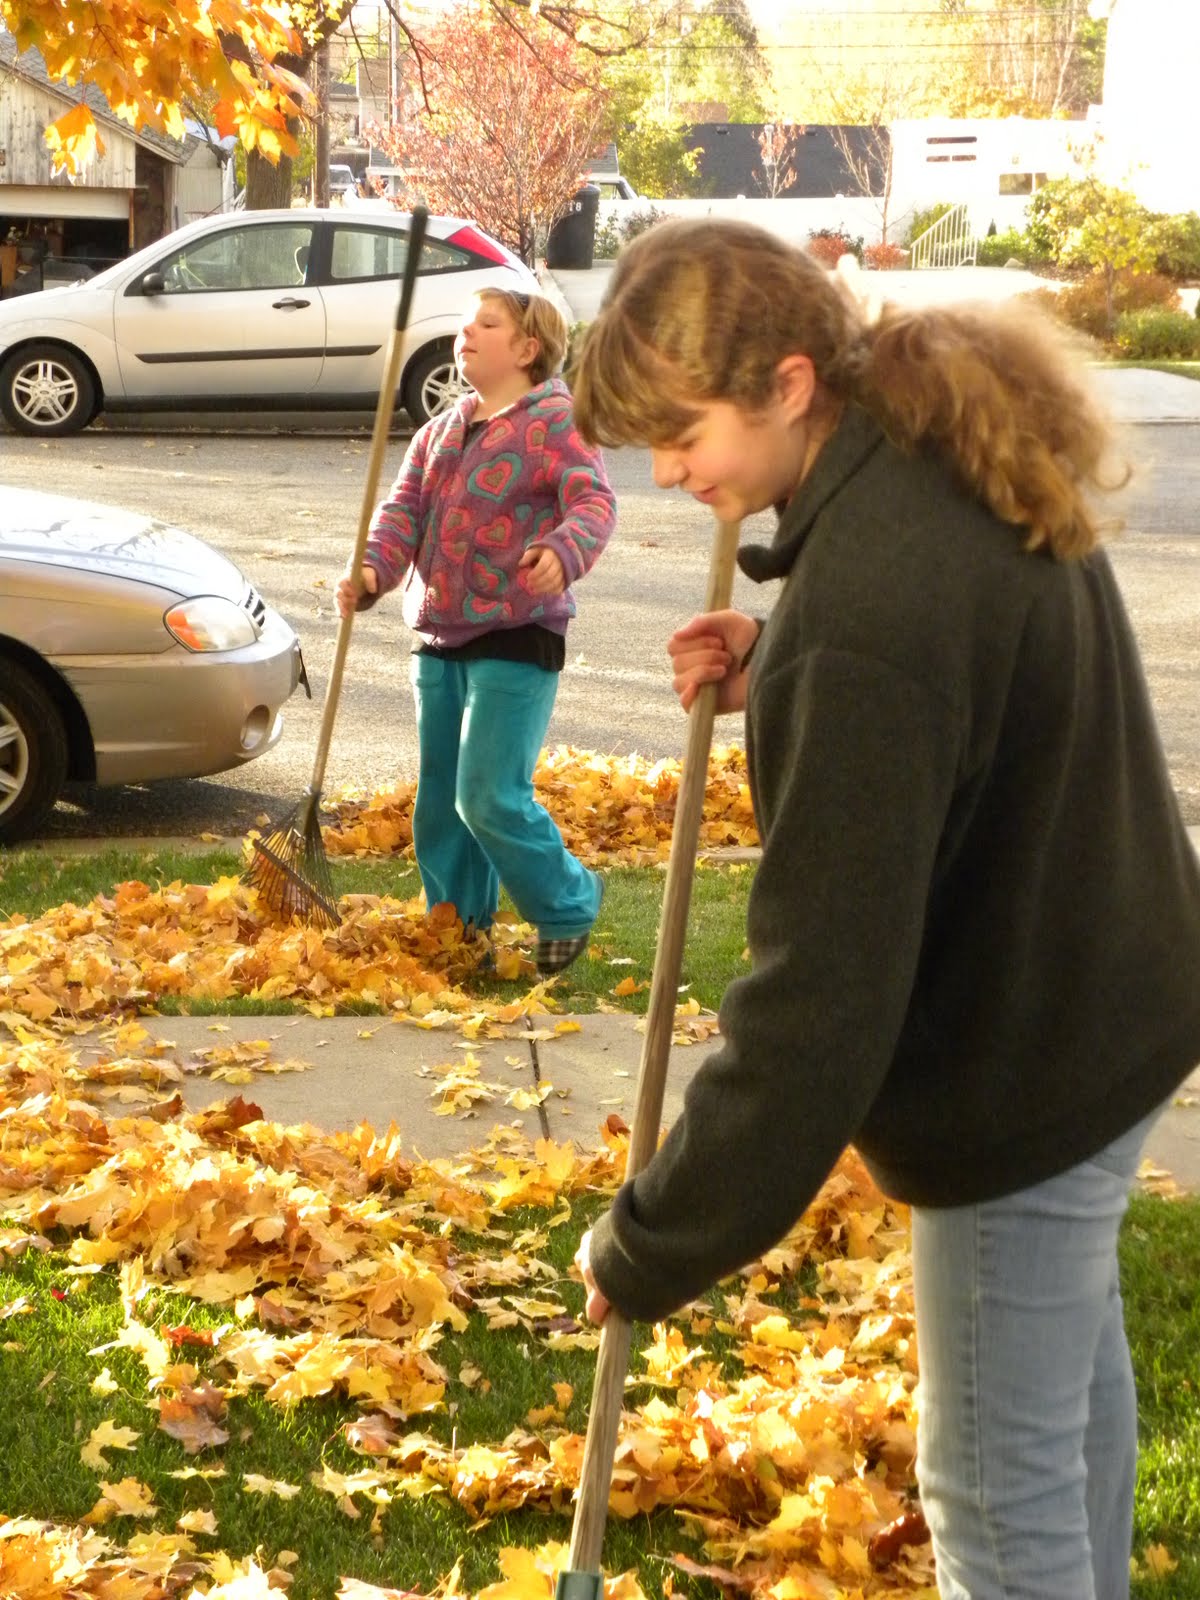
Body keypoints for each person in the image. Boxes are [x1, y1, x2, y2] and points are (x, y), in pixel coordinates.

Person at [569, 218, 1200, 1600]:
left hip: (1024, 1064)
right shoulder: (942, 440)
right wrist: (780, 647)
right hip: (1114, 992)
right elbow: (961, 670)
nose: (671, 474)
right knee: (1068, 1422)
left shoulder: (869, 603)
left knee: (996, 1494)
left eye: (682, 435)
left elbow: (818, 1005)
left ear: (791, 384)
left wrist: (655, 1235)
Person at [336, 287, 615, 975]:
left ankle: (567, 904)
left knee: (486, 794)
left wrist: (561, 551)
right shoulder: (439, 431)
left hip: (519, 632)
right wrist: (371, 573)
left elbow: (594, 501)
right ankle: (459, 933)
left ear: (527, 348)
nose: (467, 332)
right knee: (440, 804)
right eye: (465, 323)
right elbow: (402, 516)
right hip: (438, 636)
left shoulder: (557, 420)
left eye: (487, 324)